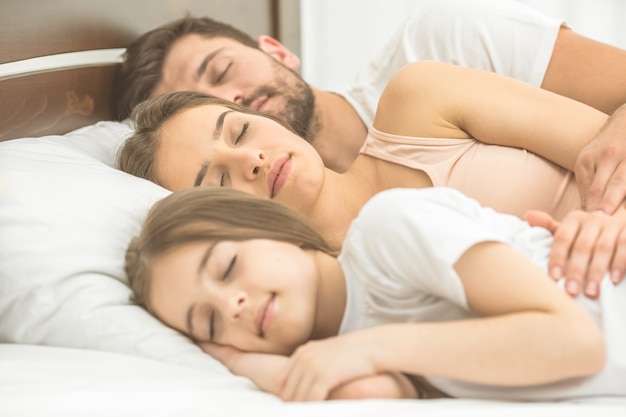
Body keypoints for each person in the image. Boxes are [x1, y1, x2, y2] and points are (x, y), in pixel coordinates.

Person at [118, 60, 625, 298]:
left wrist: (608, 216)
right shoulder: (341, 297)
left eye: (241, 130)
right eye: (219, 181)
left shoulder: (422, 100)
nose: (249, 159)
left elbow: (613, 152)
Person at [114, 0, 626, 213]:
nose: (231, 99)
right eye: (206, 107)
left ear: (277, 50)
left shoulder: (436, 50)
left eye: (222, 72)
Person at [124, 185, 625, 402]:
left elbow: (575, 342)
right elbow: (366, 395)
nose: (231, 305)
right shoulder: (350, 353)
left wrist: (368, 347)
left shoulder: (387, 229)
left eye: (228, 266)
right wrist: (234, 360)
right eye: (209, 323)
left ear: (275, 227)